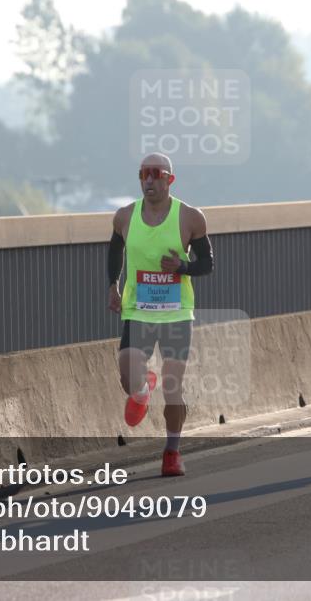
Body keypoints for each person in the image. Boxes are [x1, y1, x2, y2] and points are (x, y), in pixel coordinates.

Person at [108, 152, 213, 476]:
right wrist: (112, 285)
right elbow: (115, 251)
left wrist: (182, 267)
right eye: (144, 174)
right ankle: (141, 390)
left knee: (173, 387)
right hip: (138, 311)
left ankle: (172, 451)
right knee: (128, 377)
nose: (149, 180)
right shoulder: (125, 217)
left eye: (156, 174)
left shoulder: (190, 217)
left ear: (170, 179)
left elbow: (207, 264)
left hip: (176, 314)